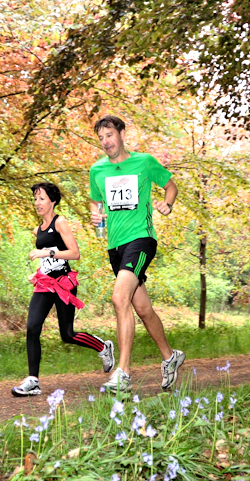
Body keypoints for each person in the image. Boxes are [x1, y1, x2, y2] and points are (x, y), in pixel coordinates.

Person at [88, 115, 185, 393]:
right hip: (114, 246)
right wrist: (95, 215)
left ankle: (124, 372)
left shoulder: (143, 162)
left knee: (120, 298)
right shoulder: (97, 170)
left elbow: (170, 185)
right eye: (101, 138)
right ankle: (170, 357)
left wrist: (167, 205)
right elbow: (96, 203)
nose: (106, 142)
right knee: (141, 308)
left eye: (110, 135)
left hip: (141, 239)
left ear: (121, 133)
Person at [12, 182, 115, 396]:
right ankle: (33, 381)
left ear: (53, 201)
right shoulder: (38, 229)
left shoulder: (61, 223)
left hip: (64, 284)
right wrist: (38, 272)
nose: (37, 203)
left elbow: (74, 253)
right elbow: (48, 261)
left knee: (67, 334)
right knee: (32, 328)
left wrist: (46, 253)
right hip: (45, 284)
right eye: (35, 199)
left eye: (41, 198)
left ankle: (103, 347)